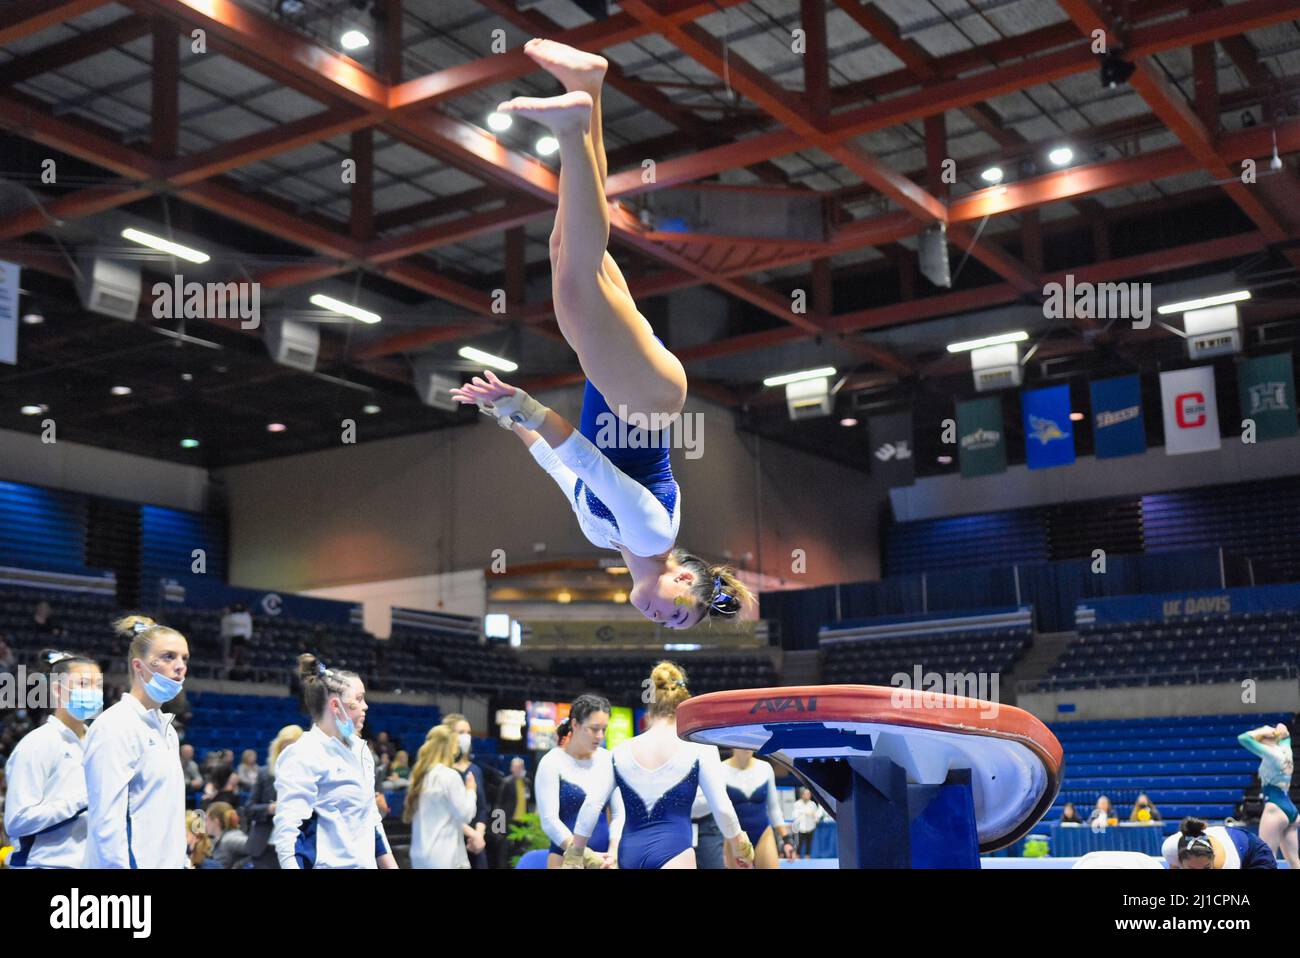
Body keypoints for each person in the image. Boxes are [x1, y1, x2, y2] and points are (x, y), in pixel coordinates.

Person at [450, 39, 756, 632]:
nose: (659, 616)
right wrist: (527, 407)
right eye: (675, 612)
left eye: (667, 623)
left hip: (629, 388)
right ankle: (572, 125)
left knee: (567, 254)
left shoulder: (608, 534)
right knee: (578, 276)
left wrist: (509, 417)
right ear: (685, 578)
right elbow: (588, 463)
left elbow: (559, 469)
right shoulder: (653, 533)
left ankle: (587, 90)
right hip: (644, 401)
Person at [567, 662, 752, 869]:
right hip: (675, 853)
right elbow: (722, 808)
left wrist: (575, 853)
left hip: (629, 854)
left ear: (650, 705)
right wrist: (740, 848)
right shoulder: (700, 748)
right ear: (683, 703)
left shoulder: (620, 751)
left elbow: (592, 805)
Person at [83, 615, 189, 868]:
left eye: (184, 658)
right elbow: (106, 821)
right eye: (168, 656)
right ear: (139, 667)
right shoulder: (115, 725)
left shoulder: (167, 730)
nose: (180, 666)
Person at [272, 655, 396, 869]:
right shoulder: (304, 753)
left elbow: (372, 822)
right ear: (336, 706)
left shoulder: (361, 751)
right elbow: (289, 836)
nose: (365, 706)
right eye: (358, 699)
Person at [3, 650, 102, 868]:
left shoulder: (98, 745)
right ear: (58, 689)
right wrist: (84, 799)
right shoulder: (38, 744)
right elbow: (17, 822)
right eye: (84, 684)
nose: (93, 692)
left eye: (98, 685)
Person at [535, 694, 624, 869]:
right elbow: (549, 820)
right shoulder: (552, 762)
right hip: (566, 858)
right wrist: (585, 855)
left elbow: (618, 814)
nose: (600, 736)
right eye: (594, 728)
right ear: (575, 724)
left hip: (605, 861)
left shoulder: (609, 760)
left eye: (604, 729)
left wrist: (613, 852)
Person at [405, 725, 477, 869]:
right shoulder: (449, 776)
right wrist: (471, 790)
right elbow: (465, 814)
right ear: (451, 747)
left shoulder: (418, 776)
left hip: (419, 857)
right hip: (444, 857)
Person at [721, 748, 795, 868]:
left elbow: (774, 808)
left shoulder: (765, 768)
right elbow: (719, 810)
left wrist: (787, 840)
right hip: (734, 836)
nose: (746, 746)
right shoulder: (720, 770)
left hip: (763, 834)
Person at [1237, 722, 1297, 868]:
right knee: (1295, 862)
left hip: (1275, 808)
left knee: (1265, 858)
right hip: (1291, 809)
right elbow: (1284, 731)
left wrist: (1260, 731)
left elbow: (1243, 738)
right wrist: (1278, 731)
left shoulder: (1271, 754)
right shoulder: (1285, 750)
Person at [242, 724, 303, 869]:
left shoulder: (310, 777)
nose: (288, 753)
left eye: (292, 749)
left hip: (295, 848)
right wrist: (270, 808)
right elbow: (249, 808)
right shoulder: (265, 773)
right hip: (265, 847)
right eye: (284, 748)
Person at [444, 713, 488, 867]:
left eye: (468, 733)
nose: (466, 737)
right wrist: (473, 834)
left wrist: (479, 835)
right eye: (461, 732)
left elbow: (482, 808)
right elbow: (448, 813)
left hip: (475, 843)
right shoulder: (443, 770)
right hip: (450, 842)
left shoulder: (475, 769)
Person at [1163, 816, 1277, 869]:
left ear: (1213, 859)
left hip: (1253, 852)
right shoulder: (1170, 850)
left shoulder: (1226, 864)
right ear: (1179, 861)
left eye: (1206, 868)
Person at [205, 801, 249, 868]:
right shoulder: (217, 839)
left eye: (206, 820)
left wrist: (239, 865)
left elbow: (258, 849)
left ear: (216, 821)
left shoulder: (231, 839)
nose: (205, 824)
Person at [791, 786, 824, 858]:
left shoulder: (813, 804)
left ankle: (808, 860)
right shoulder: (797, 804)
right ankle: (797, 861)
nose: (808, 796)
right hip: (800, 829)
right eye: (806, 794)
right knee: (798, 846)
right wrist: (806, 813)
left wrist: (815, 817)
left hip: (810, 828)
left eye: (809, 794)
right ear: (802, 795)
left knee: (809, 846)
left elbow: (816, 816)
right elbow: (794, 816)